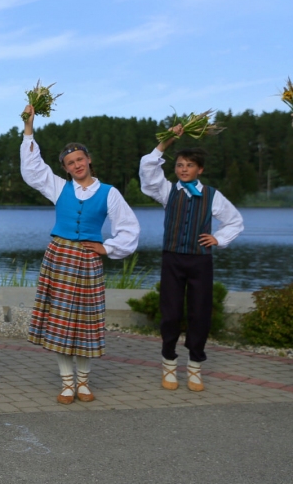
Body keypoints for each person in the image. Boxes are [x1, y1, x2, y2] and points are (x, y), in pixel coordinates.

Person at [20, 103, 140, 405]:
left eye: (79, 159)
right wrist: (28, 128)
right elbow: (32, 170)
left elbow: (129, 228)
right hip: (59, 256)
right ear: (65, 168)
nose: (76, 165)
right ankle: (66, 383)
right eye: (70, 162)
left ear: (89, 159)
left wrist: (107, 247)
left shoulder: (109, 192)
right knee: (60, 320)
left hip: (87, 260)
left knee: (85, 322)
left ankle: (83, 382)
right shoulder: (59, 187)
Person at [139, 126, 243, 392]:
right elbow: (148, 171)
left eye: (189, 165)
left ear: (200, 170)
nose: (183, 169)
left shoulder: (212, 195)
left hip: (200, 262)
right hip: (172, 259)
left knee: (200, 314)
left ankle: (195, 367)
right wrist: (166, 142)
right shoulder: (167, 191)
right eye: (179, 165)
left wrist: (218, 238)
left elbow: (234, 221)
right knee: (171, 313)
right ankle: (169, 364)